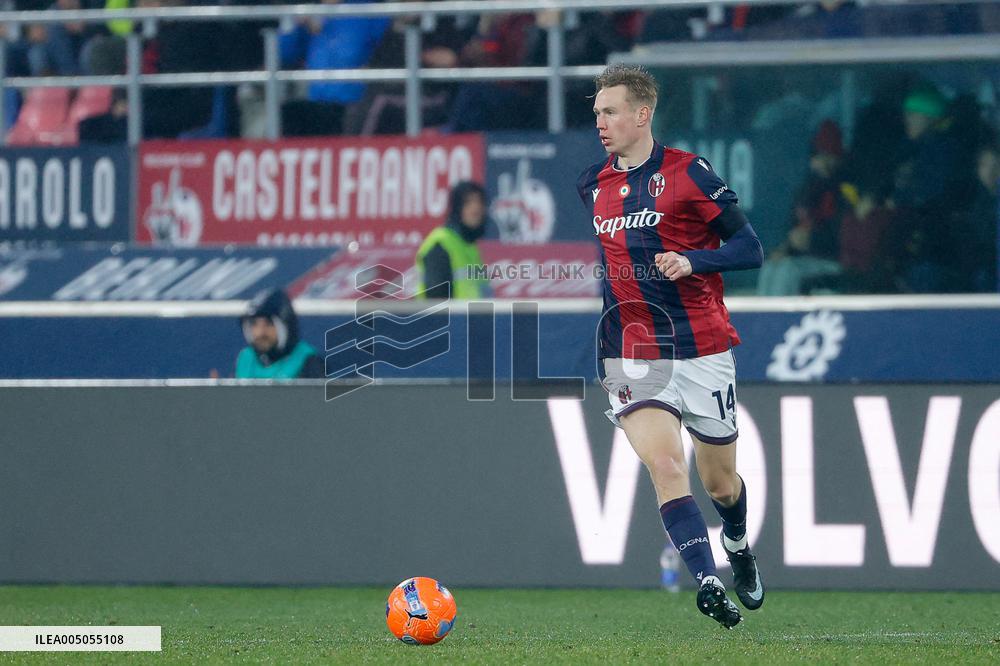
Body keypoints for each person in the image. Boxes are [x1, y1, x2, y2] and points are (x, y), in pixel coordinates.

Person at [577, 64, 764, 629]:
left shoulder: (690, 174)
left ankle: (736, 545)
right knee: (664, 463)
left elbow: (750, 247)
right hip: (632, 348)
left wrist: (694, 261)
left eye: (610, 112)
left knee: (719, 483)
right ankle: (707, 579)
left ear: (642, 113)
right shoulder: (593, 183)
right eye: (596, 114)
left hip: (703, 346)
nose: (601, 123)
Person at [414, 181, 491, 299]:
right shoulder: (440, 244)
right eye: (468, 203)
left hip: (471, 317)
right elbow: (437, 301)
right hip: (447, 317)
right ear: (457, 209)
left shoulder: (469, 246)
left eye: (479, 203)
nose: (476, 209)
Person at [236, 288, 324, 379]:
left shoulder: (308, 361)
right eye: (254, 324)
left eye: (269, 324)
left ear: (285, 327)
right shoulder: (246, 359)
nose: (260, 332)